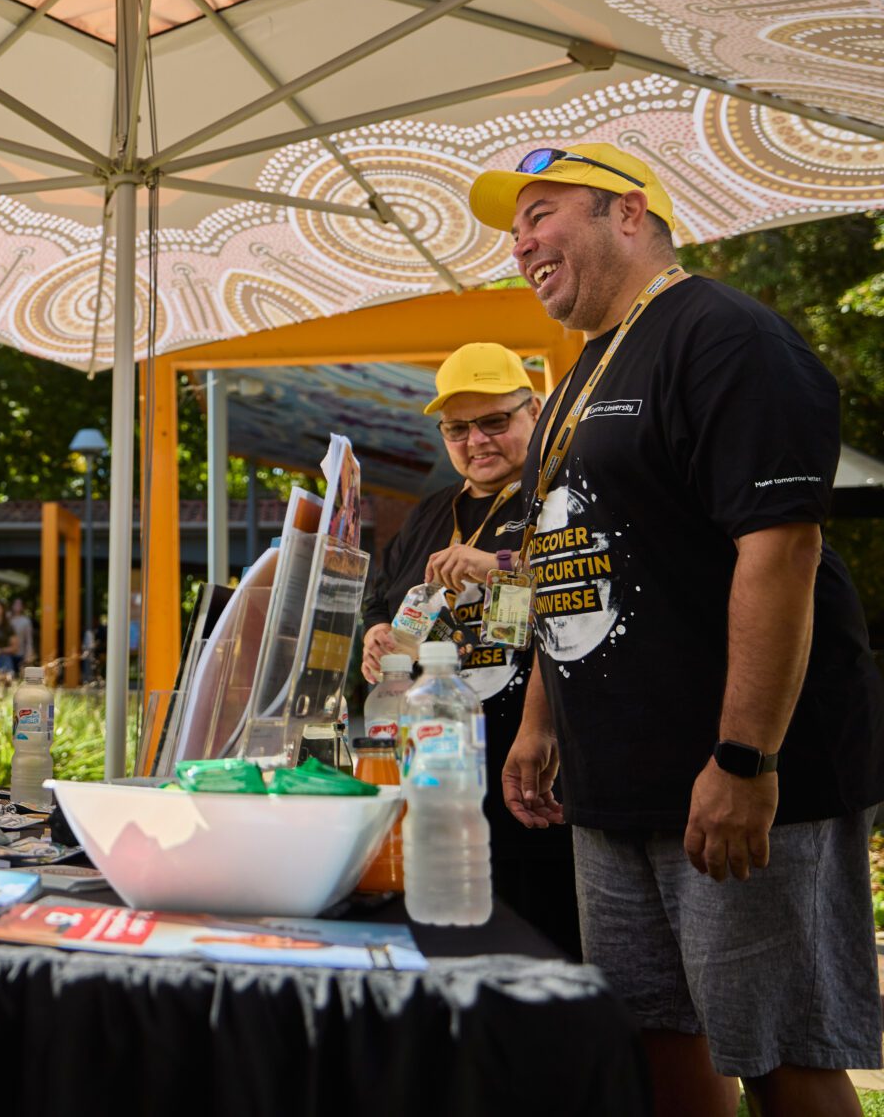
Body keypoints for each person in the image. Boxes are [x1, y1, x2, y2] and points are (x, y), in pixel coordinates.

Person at [473, 143, 884, 1117]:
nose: (520, 241)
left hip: (735, 774)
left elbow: (777, 550)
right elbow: (564, 558)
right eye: (513, 226)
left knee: (778, 1052)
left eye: (541, 213)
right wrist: (539, 723)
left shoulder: (724, 336)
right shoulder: (578, 373)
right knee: (654, 1039)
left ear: (626, 213)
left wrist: (744, 758)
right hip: (612, 782)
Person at [356, 342, 579, 957]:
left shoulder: (559, 493)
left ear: (533, 411)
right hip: (434, 778)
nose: (477, 441)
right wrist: (376, 636)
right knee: (449, 944)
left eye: (495, 421)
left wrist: (500, 566)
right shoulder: (432, 513)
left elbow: (587, 587)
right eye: (458, 429)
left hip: (533, 773)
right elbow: (383, 603)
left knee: (542, 942)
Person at [8, 598, 35, 669]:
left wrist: (28, 654)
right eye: (15, 604)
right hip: (6, 654)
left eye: (19, 604)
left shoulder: (26, 621)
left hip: (20, 653)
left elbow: (29, 639)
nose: (17, 606)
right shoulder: (7, 618)